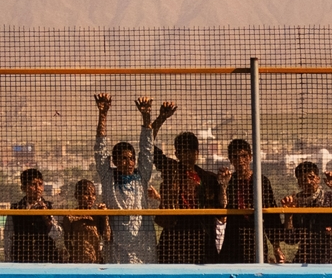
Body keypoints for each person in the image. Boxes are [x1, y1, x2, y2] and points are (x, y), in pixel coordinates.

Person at [151, 104, 223, 264]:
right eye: (182, 151)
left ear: (197, 152)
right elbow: (148, 146)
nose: (186, 155)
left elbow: (220, 211)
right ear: (176, 153)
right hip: (174, 233)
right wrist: (161, 118)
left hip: (201, 235)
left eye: (190, 151)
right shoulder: (171, 169)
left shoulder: (209, 178)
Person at [93, 93, 158, 264]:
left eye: (131, 158)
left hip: (143, 243)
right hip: (117, 246)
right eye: (123, 158)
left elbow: (147, 150)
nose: (128, 162)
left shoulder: (141, 176)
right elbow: (100, 150)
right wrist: (103, 114)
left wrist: (146, 117)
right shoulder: (109, 178)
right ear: (114, 161)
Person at [218, 138, 283, 263]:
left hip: (255, 236)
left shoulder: (261, 181)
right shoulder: (230, 182)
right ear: (231, 160)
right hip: (233, 238)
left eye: (243, 156)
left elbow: (271, 217)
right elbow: (223, 206)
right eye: (236, 157)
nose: (240, 160)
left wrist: (276, 247)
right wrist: (223, 186)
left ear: (250, 157)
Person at [281, 161, 332, 263]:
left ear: (318, 179)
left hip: (328, 260)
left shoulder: (330, 198)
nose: (308, 182)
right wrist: (288, 216)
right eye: (303, 179)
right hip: (303, 260)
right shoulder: (296, 202)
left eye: (311, 177)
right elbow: (291, 240)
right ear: (299, 183)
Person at [4, 168, 61, 263]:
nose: (38, 188)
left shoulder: (50, 207)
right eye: (33, 184)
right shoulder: (16, 209)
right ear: (23, 188)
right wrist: (9, 262)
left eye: (40, 184)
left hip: (46, 258)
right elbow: (8, 237)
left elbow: (57, 235)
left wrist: (47, 218)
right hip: (22, 259)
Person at [63, 179, 111, 264]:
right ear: (77, 195)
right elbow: (66, 241)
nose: (90, 198)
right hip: (78, 261)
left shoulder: (96, 216)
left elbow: (107, 238)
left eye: (93, 194)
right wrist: (74, 256)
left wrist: (105, 218)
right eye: (86, 194)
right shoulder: (71, 217)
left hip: (96, 261)